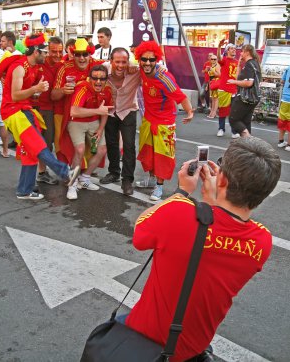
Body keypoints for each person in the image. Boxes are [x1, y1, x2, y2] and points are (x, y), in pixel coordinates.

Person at [125, 136, 281, 362]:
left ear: (223, 179)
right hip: (194, 346)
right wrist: (213, 201)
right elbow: (221, 233)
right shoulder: (262, 241)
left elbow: (140, 233)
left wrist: (181, 193)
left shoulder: (178, 212)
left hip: (146, 339)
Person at [0, 33, 79, 200]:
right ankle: (64, 172)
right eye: (45, 52)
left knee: (30, 151)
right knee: (38, 144)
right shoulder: (20, 67)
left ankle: (24, 190)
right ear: (36, 51)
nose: (47, 55)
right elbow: (14, 96)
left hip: (24, 109)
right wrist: (36, 89)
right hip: (13, 112)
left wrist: (36, 91)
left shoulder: (33, 66)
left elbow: (25, 95)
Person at [134, 41, 194, 201]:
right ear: (139, 59)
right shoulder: (140, 70)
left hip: (164, 123)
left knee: (162, 156)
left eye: (151, 60)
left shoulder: (164, 78)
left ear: (156, 60)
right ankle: (152, 180)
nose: (147, 63)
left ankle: (159, 188)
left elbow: (180, 96)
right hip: (148, 119)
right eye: (144, 59)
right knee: (148, 153)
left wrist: (189, 111)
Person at [51, 38, 103, 162]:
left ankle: (84, 174)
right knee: (64, 146)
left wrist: (130, 66)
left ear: (90, 54)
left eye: (85, 54)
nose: (81, 58)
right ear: (72, 55)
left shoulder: (97, 65)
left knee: (94, 148)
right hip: (65, 114)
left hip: (89, 114)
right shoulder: (65, 68)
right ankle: (68, 174)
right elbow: (53, 95)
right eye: (77, 54)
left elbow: (116, 64)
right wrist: (63, 90)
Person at [66, 65, 112, 200]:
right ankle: (72, 183)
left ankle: (84, 178)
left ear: (106, 79)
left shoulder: (107, 91)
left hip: (94, 123)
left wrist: (100, 128)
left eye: (102, 78)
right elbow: (74, 111)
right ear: (89, 78)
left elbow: (105, 111)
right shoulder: (83, 88)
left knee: (102, 150)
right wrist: (98, 111)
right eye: (95, 78)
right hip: (77, 122)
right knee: (79, 150)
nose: (98, 81)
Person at [99, 47, 140, 196]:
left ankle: (127, 180)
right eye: (117, 62)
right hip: (110, 111)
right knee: (111, 143)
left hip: (128, 110)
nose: (121, 65)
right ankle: (114, 172)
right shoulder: (103, 69)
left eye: (124, 62)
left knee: (129, 146)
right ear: (111, 61)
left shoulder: (136, 71)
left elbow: (158, 67)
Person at [35, 36, 64, 185]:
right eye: (54, 51)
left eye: (60, 51)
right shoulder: (39, 63)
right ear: (47, 50)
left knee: (58, 141)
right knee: (45, 142)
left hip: (59, 109)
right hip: (43, 108)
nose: (57, 55)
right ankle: (42, 172)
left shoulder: (63, 64)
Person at [228, 44, 262, 137]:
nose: (241, 53)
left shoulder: (250, 64)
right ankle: (248, 146)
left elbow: (248, 83)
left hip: (246, 97)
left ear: (247, 52)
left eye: (242, 51)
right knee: (245, 121)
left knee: (233, 119)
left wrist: (233, 82)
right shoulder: (254, 63)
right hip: (253, 97)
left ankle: (248, 138)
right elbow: (239, 78)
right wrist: (239, 65)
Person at [216, 41, 238, 137]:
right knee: (223, 110)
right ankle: (221, 129)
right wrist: (219, 47)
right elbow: (218, 58)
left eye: (235, 49)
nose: (234, 50)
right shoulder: (224, 60)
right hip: (224, 89)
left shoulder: (237, 62)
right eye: (232, 48)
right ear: (227, 50)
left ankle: (234, 131)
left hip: (234, 89)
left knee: (234, 112)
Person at [276, 64, 290, 151]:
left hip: (285, 98)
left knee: (282, 120)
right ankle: (289, 145)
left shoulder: (288, 67)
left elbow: (282, 81)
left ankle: (281, 141)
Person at [206, 54, 220, 119]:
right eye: (212, 59)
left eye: (215, 59)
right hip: (212, 82)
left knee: (216, 98)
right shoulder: (211, 66)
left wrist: (212, 70)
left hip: (216, 82)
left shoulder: (217, 66)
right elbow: (209, 76)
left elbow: (219, 75)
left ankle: (214, 113)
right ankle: (212, 112)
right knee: (213, 99)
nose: (213, 60)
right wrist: (207, 85)